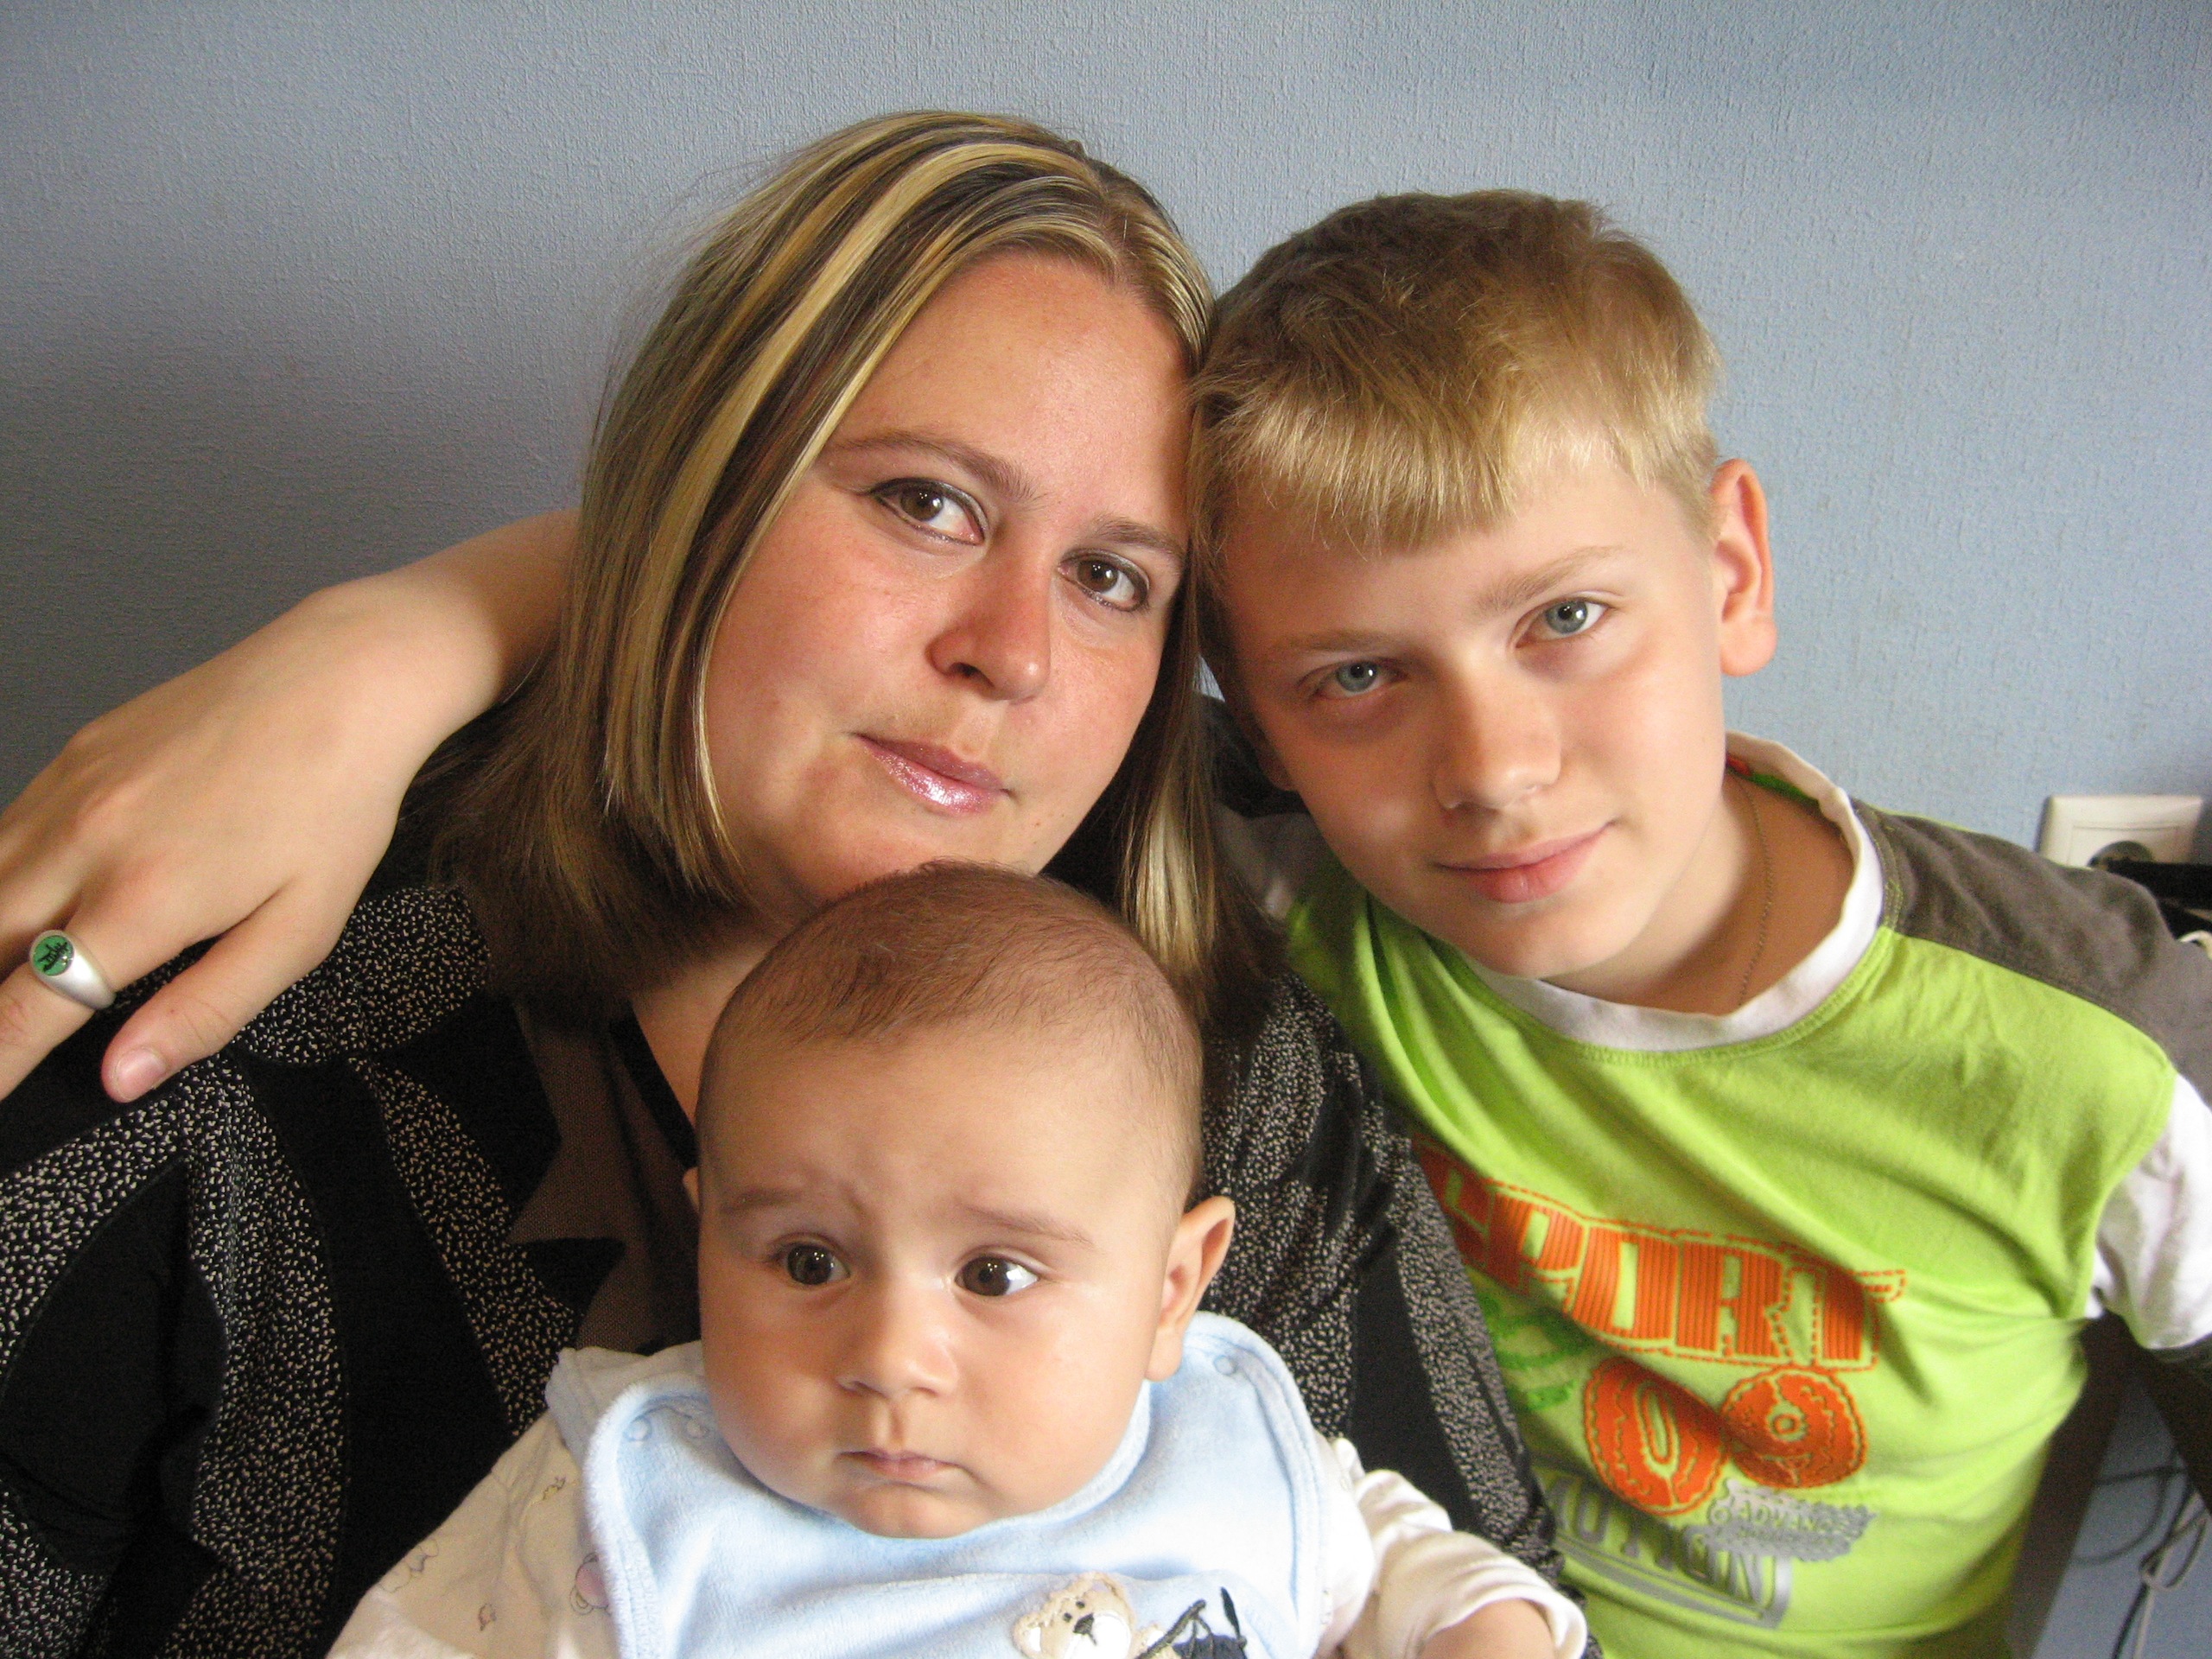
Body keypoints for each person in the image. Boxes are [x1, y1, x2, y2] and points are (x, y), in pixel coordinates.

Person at [0, 119, 1571, 1655]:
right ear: (702, 491)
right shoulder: (235, 1037)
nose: (1013, 654)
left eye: (1110, 577)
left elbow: (1469, 1590)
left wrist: (421, 623)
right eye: (926, 503)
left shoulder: (1222, 1063)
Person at [1187, 191, 2212, 1656]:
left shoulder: (2101, 1044)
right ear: (1258, 713)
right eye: (1358, 678)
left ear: (1731, 571)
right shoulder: (1278, 888)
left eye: (1565, 620)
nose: (1492, 771)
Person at [334, 865, 1588, 1659]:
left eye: (994, 1276)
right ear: (709, 1231)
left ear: (1171, 1292)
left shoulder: (1230, 1449)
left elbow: (1397, 1557)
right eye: (808, 1262)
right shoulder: (622, 1498)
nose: (889, 1360)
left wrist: (1488, 1629)